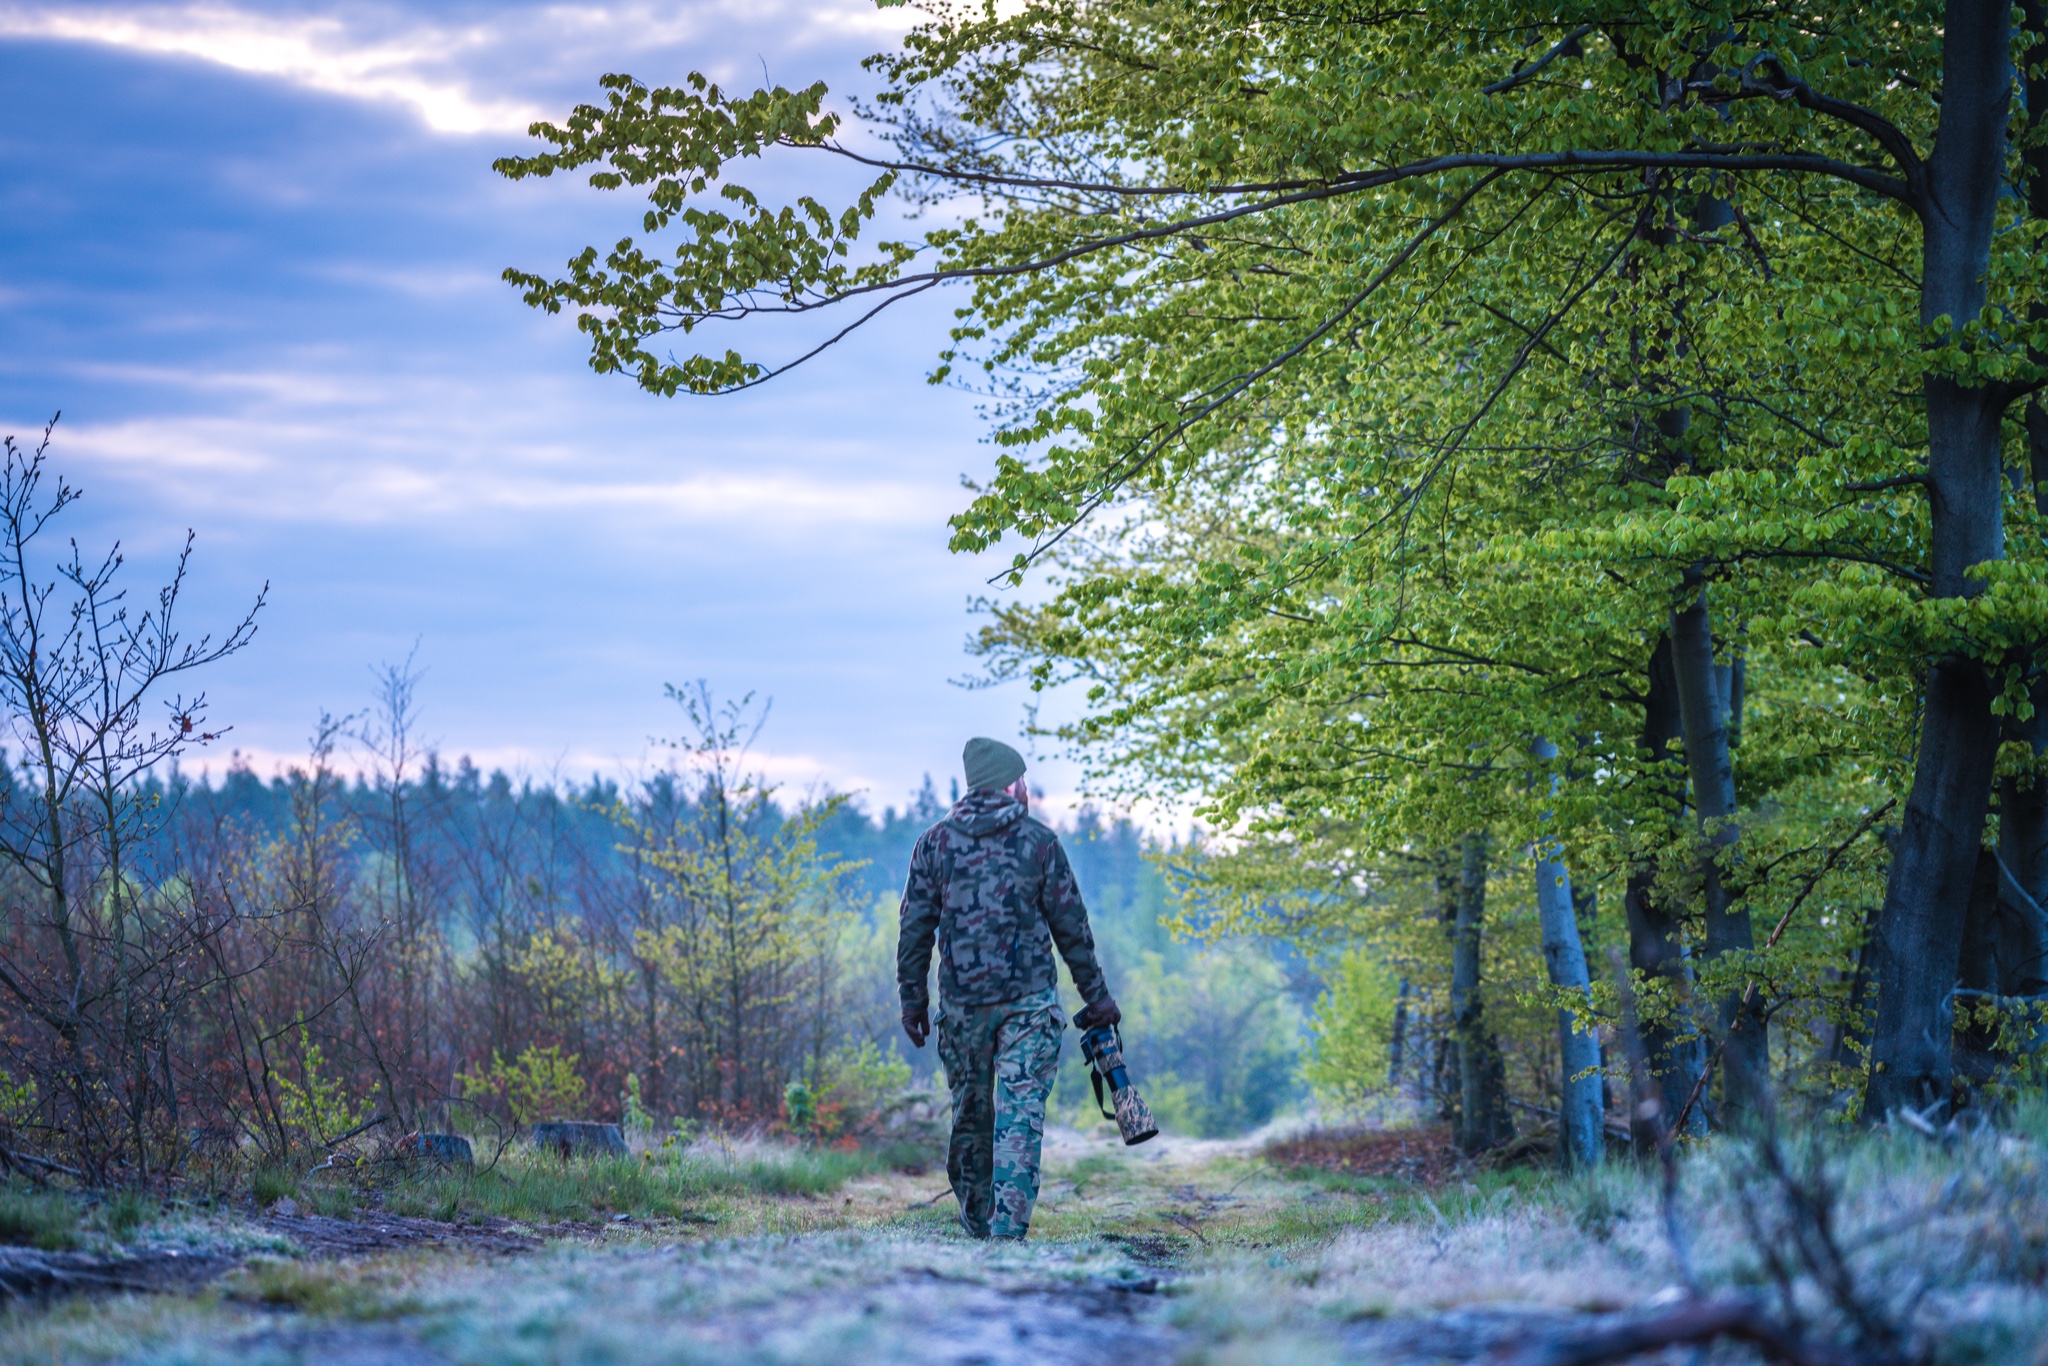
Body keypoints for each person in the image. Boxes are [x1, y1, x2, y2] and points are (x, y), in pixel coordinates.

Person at [896, 737, 1121, 1240]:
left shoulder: (934, 843)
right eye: (1023, 779)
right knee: (1020, 1114)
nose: (1027, 788)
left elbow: (914, 929)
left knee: (971, 1113)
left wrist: (913, 1001)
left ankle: (978, 1224)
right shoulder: (1039, 842)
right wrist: (1097, 997)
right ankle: (1007, 1233)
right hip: (1029, 1003)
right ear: (1009, 782)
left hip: (961, 1005)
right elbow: (1072, 928)